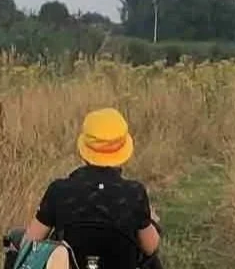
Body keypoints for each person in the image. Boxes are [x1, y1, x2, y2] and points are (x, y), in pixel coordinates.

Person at [22, 107, 161, 258]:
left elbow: (29, 244)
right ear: (123, 152)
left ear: (84, 151)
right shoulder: (135, 193)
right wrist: (150, 221)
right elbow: (151, 247)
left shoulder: (58, 190)